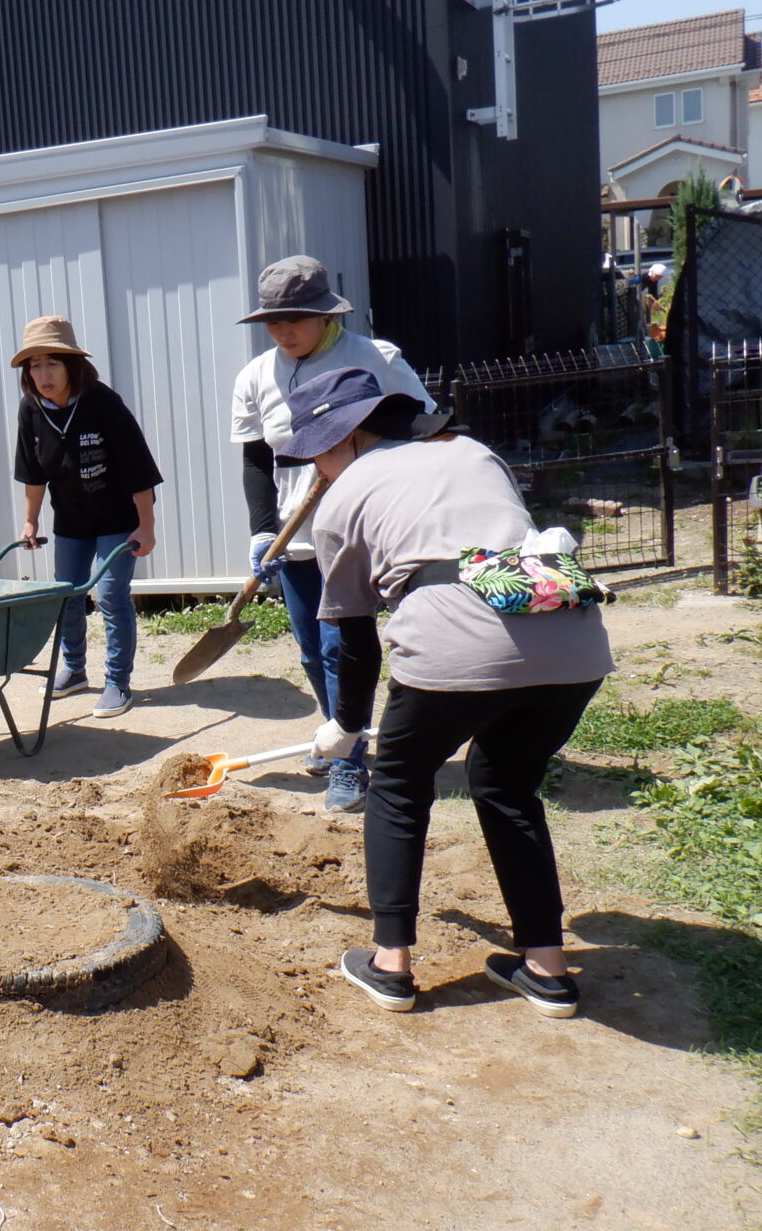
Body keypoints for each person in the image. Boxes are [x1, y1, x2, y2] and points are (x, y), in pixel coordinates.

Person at [280, 365, 614, 1019]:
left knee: (400, 782)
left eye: (316, 452)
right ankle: (546, 969)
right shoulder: (472, 451)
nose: (314, 468)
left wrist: (345, 727)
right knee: (507, 785)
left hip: (453, 634)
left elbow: (355, 639)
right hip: (571, 637)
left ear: (346, 437)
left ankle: (391, 965)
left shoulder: (340, 502)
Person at [231, 255, 437, 814]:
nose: (284, 332)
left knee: (339, 646)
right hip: (297, 534)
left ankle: (349, 763)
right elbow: (256, 458)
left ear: (326, 315)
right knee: (309, 650)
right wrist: (262, 530)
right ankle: (338, 732)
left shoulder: (374, 358)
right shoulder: (255, 377)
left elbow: (423, 426)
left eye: (295, 319)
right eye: (273, 322)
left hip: (362, 527)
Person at [11, 315, 163, 719]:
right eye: (35, 365)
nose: (43, 375)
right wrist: (31, 521)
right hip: (72, 520)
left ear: (72, 365)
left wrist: (146, 527)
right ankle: (75, 669)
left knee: (111, 596)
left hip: (118, 519)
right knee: (68, 596)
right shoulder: (31, 410)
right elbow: (33, 474)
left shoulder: (103, 403)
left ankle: (118, 682)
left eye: (52, 364)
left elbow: (138, 470)